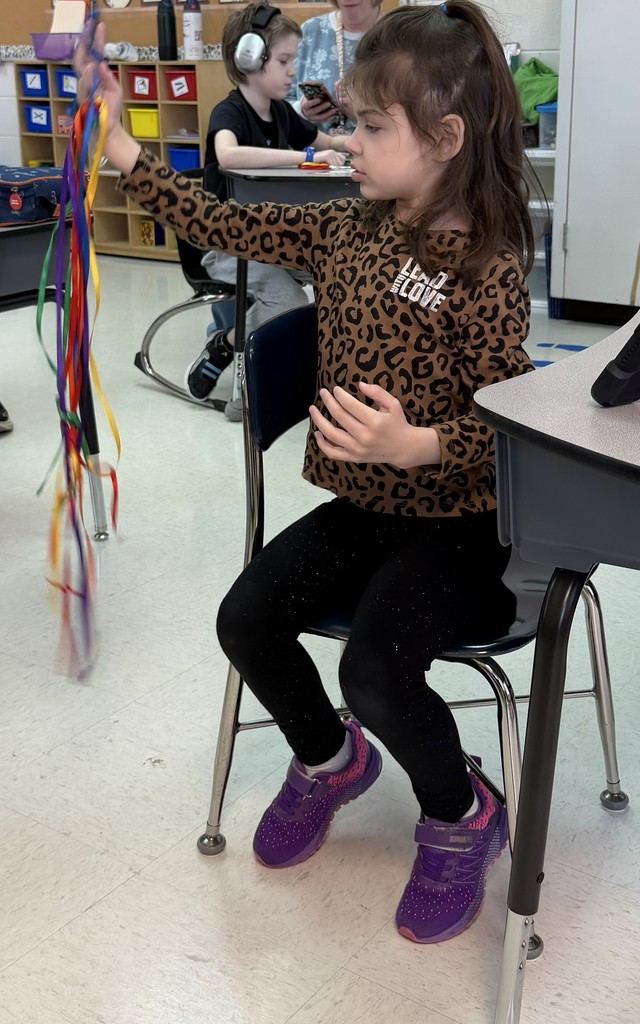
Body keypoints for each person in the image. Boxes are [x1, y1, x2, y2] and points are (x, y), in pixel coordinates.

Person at [77, 0, 535, 944]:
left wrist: (421, 445)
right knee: (244, 620)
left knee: (374, 671)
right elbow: (217, 218)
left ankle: (463, 814)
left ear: (446, 138)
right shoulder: (347, 229)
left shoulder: (485, 266)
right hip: (364, 511)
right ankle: (333, 762)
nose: (346, 143)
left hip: (458, 527)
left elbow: (513, 425)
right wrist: (122, 148)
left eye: (371, 127)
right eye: (351, 122)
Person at [184, 2, 348, 407]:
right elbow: (228, 154)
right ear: (249, 59)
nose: (293, 70)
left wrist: (369, 142)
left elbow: (329, 141)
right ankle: (227, 344)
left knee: (338, 270)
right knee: (289, 300)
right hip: (225, 246)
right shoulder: (230, 112)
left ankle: (310, 367)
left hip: (270, 241)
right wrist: (305, 158)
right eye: (284, 61)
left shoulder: (281, 113)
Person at [287, 0, 383, 134]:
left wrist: (361, 115)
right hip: (313, 145)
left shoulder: (397, 37)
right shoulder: (310, 32)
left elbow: (408, 119)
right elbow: (278, 102)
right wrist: (300, 111)